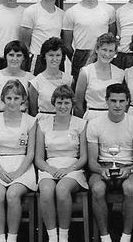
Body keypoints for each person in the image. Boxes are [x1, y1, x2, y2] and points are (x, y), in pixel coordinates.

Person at [87, 83, 133, 242]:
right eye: (113, 101)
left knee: (130, 187)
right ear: (106, 101)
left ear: (128, 101)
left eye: (121, 101)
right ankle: (105, 237)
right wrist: (100, 170)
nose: (117, 105)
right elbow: (92, 161)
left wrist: (130, 170)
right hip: (103, 168)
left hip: (128, 169)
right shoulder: (94, 124)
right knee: (97, 189)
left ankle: (126, 237)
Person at [0, 80, 37, 242]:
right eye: (8, 98)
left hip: (22, 166)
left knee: (13, 195)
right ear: (3, 99)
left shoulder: (31, 121)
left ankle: (12, 238)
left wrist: (17, 173)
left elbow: (30, 153)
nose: (12, 102)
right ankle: (0, 239)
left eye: (16, 98)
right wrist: (0, 172)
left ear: (23, 100)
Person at [35, 85, 88, 242]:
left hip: (73, 168)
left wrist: (68, 169)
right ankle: (52, 236)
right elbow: (38, 158)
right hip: (49, 167)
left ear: (72, 103)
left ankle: (63, 236)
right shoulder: (42, 124)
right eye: (59, 103)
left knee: (62, 189)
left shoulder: (81, 124)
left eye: (66, 103)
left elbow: (83, 157)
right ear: (53, 103)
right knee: (46, 190)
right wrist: (50, 169)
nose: (63, 107)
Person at [62, 0, 116, 86]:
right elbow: (67, 45)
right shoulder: (71, 12)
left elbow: (112, 37)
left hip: (103, 55)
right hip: (80, 55)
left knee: (104, 89)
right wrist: (78, 58)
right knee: (80, 94)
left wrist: (103, 54)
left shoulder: (109, 10)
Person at [20, 0, 64, 75]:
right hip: (37, 59)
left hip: (56, 59)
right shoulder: (30, 11)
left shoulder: (62, 14)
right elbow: (24, 44)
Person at [73, 33, 124, 120]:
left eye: (111, 51)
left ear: (115, 53)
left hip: (113, 119)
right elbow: (78, 104)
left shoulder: (120, 73)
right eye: (104, 50)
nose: (107, 54)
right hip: (91, 118)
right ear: (97, 49)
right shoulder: (85, 72)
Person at [28, 37, 73, 119]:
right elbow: (33, 112)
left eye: (58, 55)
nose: (54, 59)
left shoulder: (69, 80)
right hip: (43, 123)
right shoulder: (36, 82)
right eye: (51, 55)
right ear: (44, 56)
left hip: (64, 123)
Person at [0, 41, 34, 115]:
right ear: (6, 56)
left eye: (18, 55)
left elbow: (32, 108)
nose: (14, 58)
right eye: (11, 55)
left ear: (24, 57)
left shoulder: (31, 78)